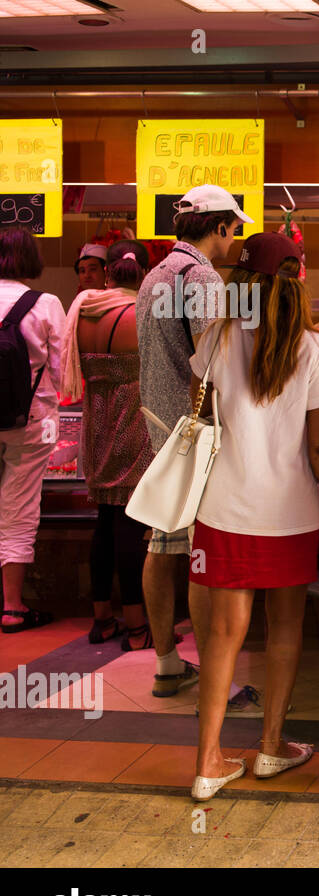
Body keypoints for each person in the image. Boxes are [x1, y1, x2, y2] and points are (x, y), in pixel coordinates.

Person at [185, 231, 319, 800]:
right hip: (290, 512)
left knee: (224, 636)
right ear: (298, 280)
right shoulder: (316, 350)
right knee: (284, 631)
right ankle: (271, 747)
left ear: (242, 284)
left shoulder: (217, 337)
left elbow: (201, 414)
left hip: (223, 508)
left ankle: (208, 762)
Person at [136, 185, 263, 711]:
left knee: (163, 544)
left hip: (162, 428)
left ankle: (168, 662)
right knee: (201, 556)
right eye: (234, 230)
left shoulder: (155, 274)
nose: (234, 241)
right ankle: (217, 677)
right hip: (197, 432)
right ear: (222, 227)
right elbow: (216, 362)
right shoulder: (203, 278)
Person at [71, 240, 200, 693]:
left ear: (109, 273)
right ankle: (135, 622)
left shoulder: (86, 313)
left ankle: (100, 616)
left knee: (104, 520)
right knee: (132, 522)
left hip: (97, 420)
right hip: (133, 420)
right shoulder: (137, 314)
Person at [0, 228, 67, 634]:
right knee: (19, 510)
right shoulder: (46, 304)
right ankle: (12, 607)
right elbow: (63, 372)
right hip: (33, 421)